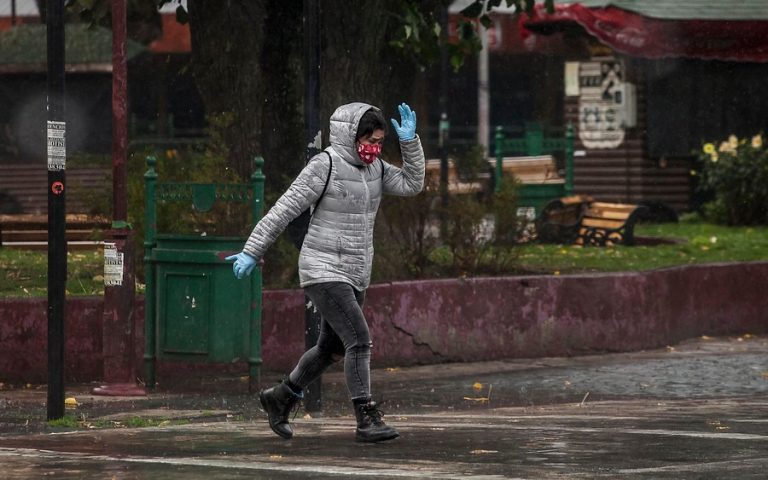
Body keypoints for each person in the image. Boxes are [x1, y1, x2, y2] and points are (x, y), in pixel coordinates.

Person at [226, 102, 425, 442]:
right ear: (351, 135)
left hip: (356, 270)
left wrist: (410, 143)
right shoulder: (325, 165)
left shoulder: (376, 169)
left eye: (379, 142)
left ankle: (281, 397)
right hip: (323, 267)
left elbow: (411, 184)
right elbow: (285, 208)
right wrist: (252, 250)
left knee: (331, 348)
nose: (373, 148)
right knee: (359, 339)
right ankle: (366, 417)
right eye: (369, 140)